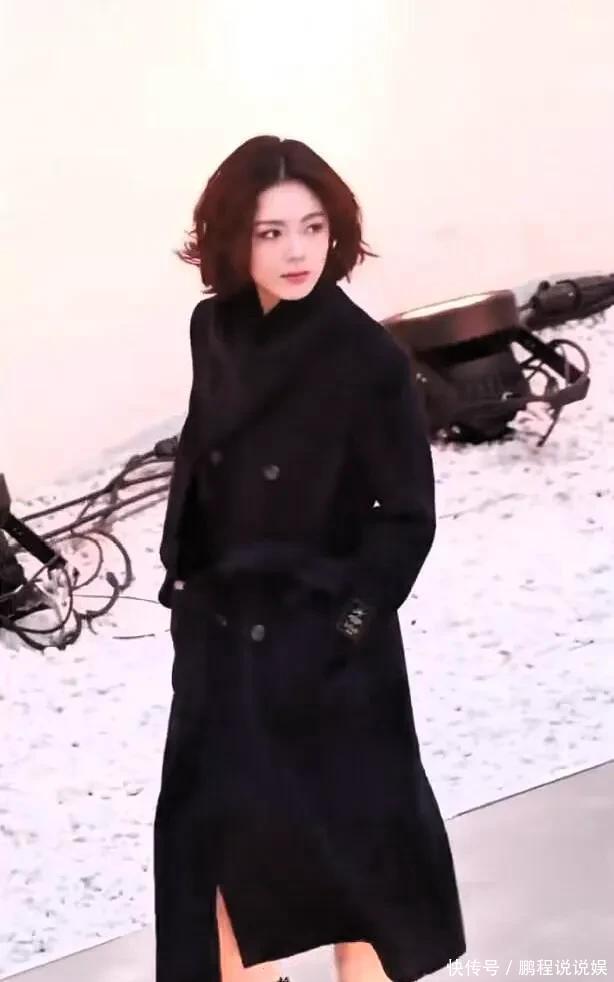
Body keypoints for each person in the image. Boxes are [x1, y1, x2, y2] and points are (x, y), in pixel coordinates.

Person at [153, 135, 466, 982]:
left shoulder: (365, 358)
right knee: (211, 868)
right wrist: (184, 579)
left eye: (313, 227)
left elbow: (407, 517)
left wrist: (349, 622)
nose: (297, 251)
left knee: (357, 876)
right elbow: (202, 458)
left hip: (327, 655)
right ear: (233, 237)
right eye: (271, 232)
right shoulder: (213, 328)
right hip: (224, 647)